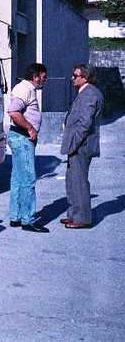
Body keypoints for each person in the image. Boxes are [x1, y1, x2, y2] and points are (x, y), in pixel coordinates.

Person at [6, 63, 50, 233]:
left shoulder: (26, 89)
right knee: (28, 180)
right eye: (44, 77)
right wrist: (30, 128)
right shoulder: (25, 89)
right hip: (22, 138)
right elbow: (13, 112)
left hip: (20, 137)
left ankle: (16, 217)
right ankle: (28, 220)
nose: (44, 80)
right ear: (36, 76)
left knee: (18, 178)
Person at [60, 64, 104, 229]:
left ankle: (82, 218)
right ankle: (73, 214)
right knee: (72, 180)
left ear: (85, 78)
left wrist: (74, 143)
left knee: (79, 182)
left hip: (81, 145)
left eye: (75, 76)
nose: (72, 78)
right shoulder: (85, 92)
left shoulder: (89, 94)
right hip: (77, 144)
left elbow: (85, 124)